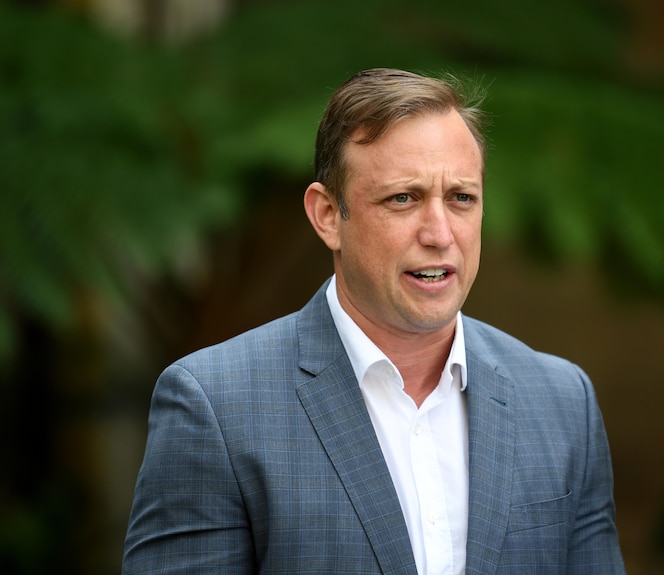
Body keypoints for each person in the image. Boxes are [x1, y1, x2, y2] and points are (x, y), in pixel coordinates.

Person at [123, 68, 625, 574]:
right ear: (326, 215)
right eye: (402, 198)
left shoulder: (562, 402)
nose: (439, 233)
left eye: (461, 198)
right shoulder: (215, 407)